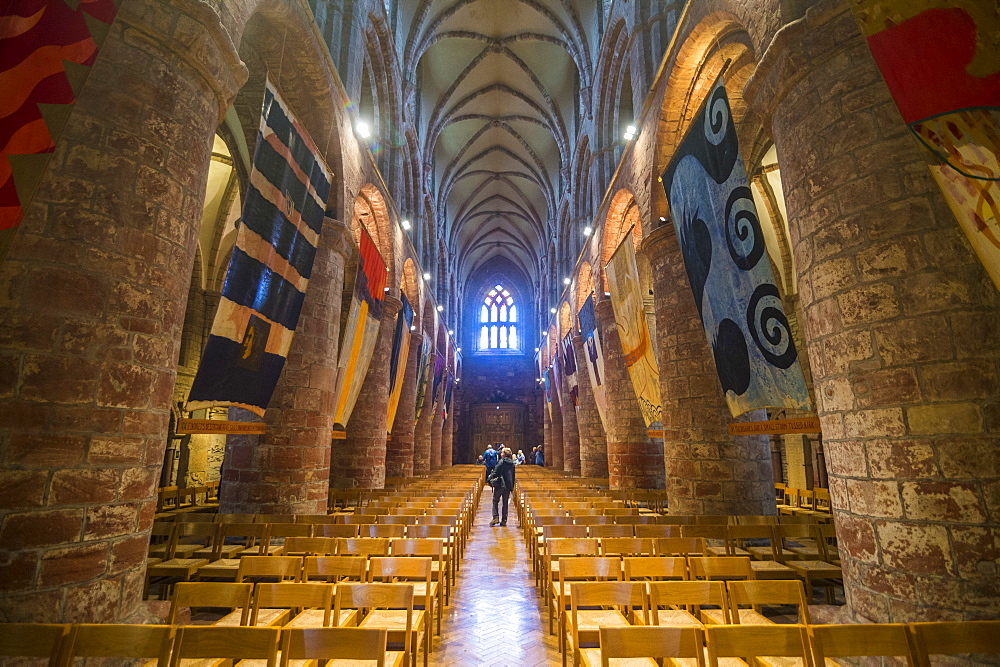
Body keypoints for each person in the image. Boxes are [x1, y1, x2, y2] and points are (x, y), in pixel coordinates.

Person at [489, 447, 516, 527]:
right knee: (505, 503)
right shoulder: (512, 463)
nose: (501, 454)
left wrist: (490, 479)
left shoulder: (501, 462)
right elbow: (513, 476)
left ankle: (495, 517)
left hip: (500, 484)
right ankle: (504, 520)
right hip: (508, 485)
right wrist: (512, 486)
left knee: (495, 501)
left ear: (504, 454)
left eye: (502, 452)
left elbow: (495, 472)